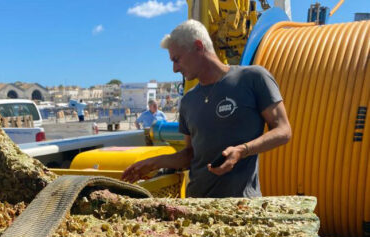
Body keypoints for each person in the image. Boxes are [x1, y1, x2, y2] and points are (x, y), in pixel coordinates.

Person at [122, 20, 291, 198]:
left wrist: (243, 150)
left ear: (198, 47)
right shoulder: (188, 101)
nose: (174, 68)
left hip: (242, 205)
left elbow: (283, 130)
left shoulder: (253, 78)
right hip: (197, 203)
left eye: (177, 59)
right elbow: (189, 155)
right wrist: (152, 163)